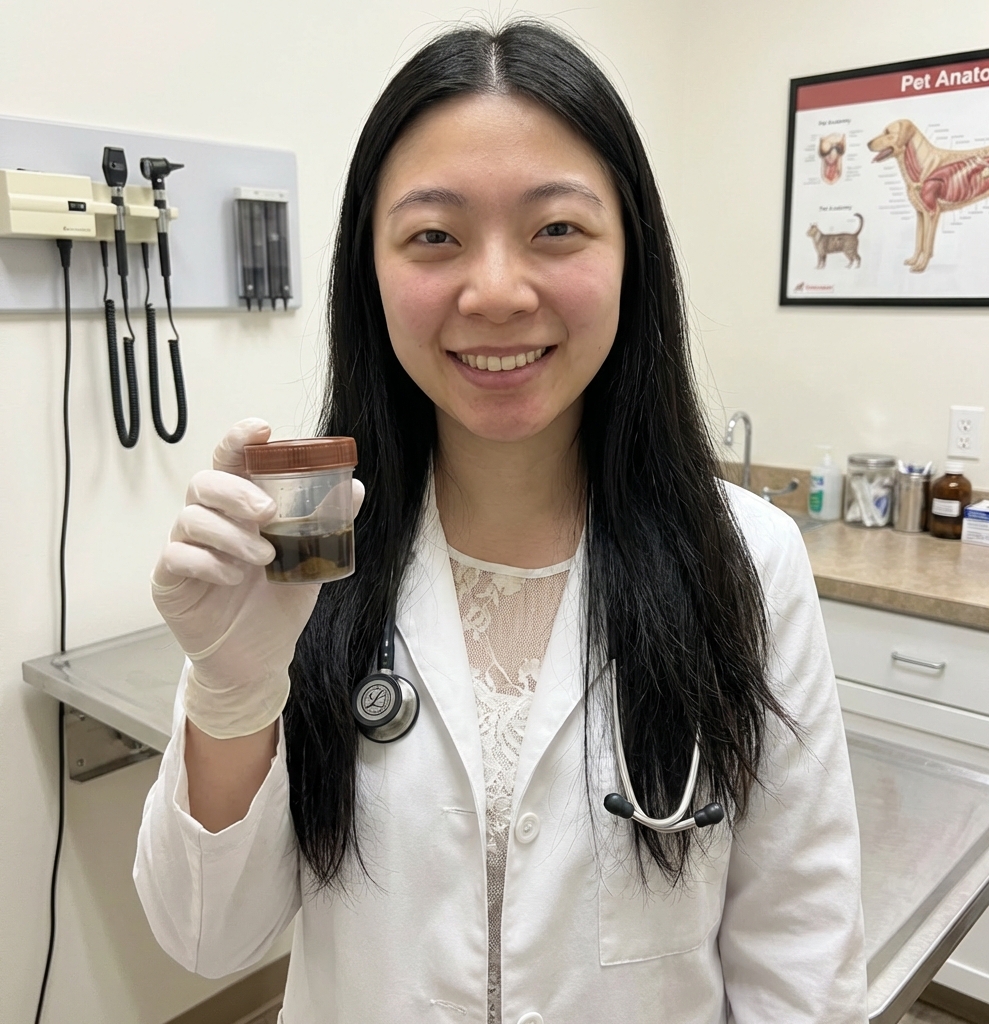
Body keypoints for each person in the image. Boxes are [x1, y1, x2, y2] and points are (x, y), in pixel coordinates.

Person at [135, 20, 866, 1024]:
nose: (494, 290)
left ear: (631, 255)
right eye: (433, 236)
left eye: (555, 229)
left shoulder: (745, 559)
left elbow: (802, 953)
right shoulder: (301, 541)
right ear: (370, 270)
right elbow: (204, 935)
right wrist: (231, 694)